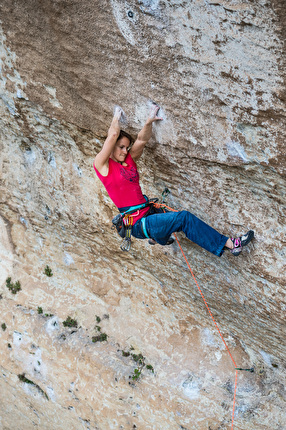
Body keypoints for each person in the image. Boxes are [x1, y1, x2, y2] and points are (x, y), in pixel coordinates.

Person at [93, 105, 254, 257]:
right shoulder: (102, 166)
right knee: (183, 218)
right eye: (120, 147)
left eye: (126, 148)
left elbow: (141, 140)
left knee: (169, 216)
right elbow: (113, 135)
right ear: (111, 147)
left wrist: (149, 121)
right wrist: (116, 116)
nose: (124, 151)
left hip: (148, 211)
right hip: (138, 223)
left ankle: (158, 237)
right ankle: (231, 244)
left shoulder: (129, 162)